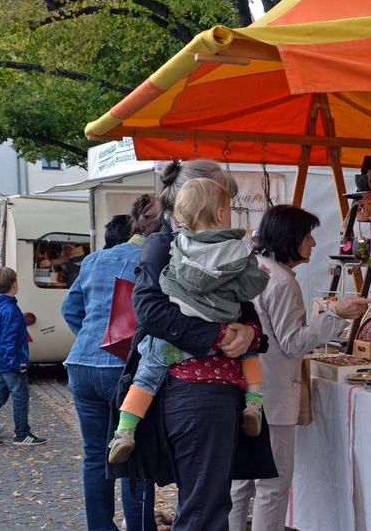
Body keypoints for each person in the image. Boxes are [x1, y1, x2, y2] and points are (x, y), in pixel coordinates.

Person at [113, 159, 275, 531]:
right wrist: (219, 336)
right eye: (226, 204)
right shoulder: (164, 244)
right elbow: (151, 311)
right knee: (204, 507)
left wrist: (249, 333)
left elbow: (246, 311)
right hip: (193, 391)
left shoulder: (222, 247)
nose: (229, 214)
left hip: (215, 391)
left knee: (206, 502)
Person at [228, 206, 371, 531]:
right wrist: (335, 314)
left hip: (244, 388)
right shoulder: (281, 282)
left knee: (240, 483)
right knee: (273, 485)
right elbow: (293, 342)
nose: (313, 243)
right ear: (289, 238)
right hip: (272, 393)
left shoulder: (253, 268)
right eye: (307, 235)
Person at [62, 195, 159, 531]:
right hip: (126, 368)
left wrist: (92, 338)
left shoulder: (93, 260)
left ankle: (101, 527)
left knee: (95, 455)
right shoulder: (154, 258)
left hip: (81, 365)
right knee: (135, 456)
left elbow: (70, 309)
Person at [0, 268, 48, 446]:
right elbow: (9, 339)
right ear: (15, 285)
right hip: (10, 361)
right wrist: (15, 362)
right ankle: (21, 433)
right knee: (20, 396)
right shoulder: (11, 309)